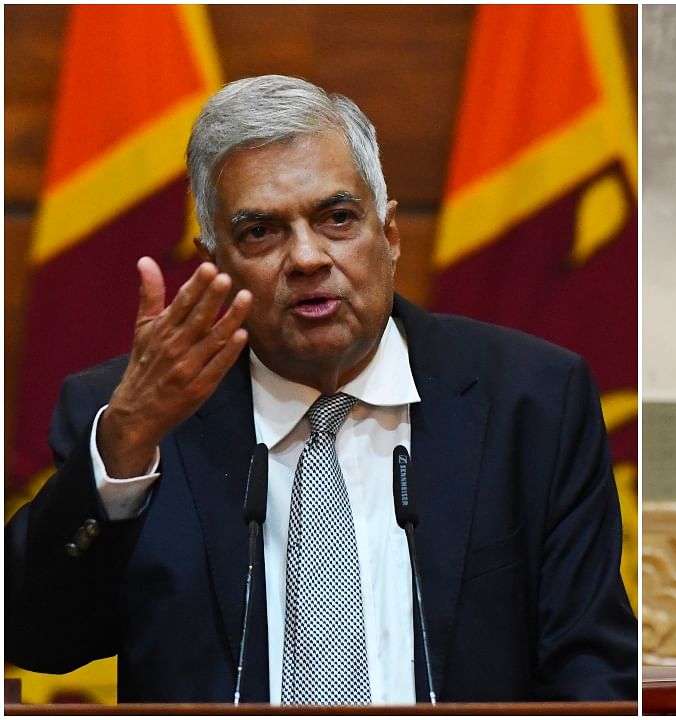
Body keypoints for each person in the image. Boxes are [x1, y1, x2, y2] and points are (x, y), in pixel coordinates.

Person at [5, 74, 637, 704]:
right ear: (214, 260)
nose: (306, 258)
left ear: (388, 235)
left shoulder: (533, 402)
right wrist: (123, 452)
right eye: (261, 232)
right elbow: (37, 638)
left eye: (336, 218)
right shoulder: (127, 419)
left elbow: (592, 666)